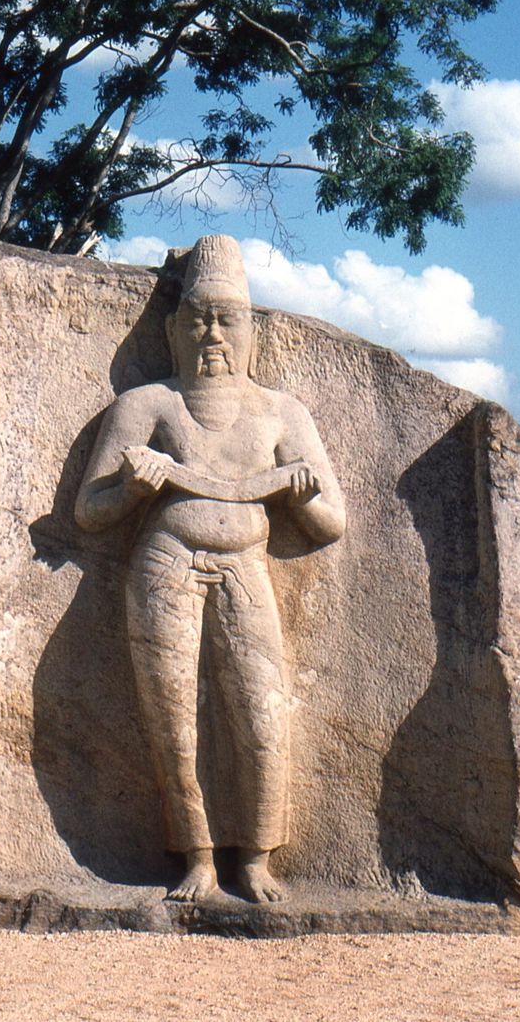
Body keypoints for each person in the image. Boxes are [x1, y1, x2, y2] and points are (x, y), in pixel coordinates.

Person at [75, 235, 345, 903]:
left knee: (260, 712)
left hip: (245, 565)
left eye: (228, 319)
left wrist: (300, 490)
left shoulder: (281, 412)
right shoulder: (147, 405)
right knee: (174, 715)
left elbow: (332, 519)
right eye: (199, 318)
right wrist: (137, 488)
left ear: (253, 331)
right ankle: (196, 853)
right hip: (165, 564)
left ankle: (255, 855)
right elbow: (90, 510)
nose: (213, 334)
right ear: (173, 329)